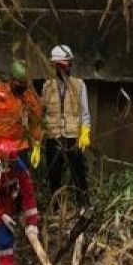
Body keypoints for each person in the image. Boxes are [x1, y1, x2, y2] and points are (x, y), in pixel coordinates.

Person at [40, 44, 91, 206]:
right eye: (58, 65)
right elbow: (42, 113)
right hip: (53, 136)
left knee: (79, 173)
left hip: (72, 136)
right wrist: (37, 140)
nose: (61, 69)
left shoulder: (79, 85)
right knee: (53, 174)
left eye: (64, 65)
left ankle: (83, 205)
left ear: (70, 64)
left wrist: (85, 132)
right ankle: (56, 208)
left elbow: (84, 112)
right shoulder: (47, 86)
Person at [0, 60, 43, 167]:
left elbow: (36, 122)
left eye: (25, 83)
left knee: (21, 180)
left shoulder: (30, 97)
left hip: (19, 147)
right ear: (11, 79)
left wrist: (36, 145)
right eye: (20, 82)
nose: (23, 86)